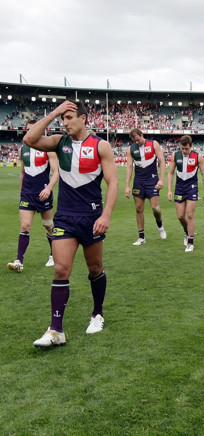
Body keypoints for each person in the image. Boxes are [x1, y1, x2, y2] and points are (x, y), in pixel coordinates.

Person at [23, 100, 118, 348]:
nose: (64, 123)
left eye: (69, 118)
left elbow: (113, 183)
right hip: (64, 217)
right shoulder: (58, 142)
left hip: (91, 217)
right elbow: (30, 140)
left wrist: (106, 215)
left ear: (84, 118)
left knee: (95, 268)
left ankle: (97, 313)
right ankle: (56, 330)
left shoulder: (101, 146)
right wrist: (53, 112)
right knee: (60, 269)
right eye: (62, 119)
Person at [8, 120, 59, 272]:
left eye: (33, 129)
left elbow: (56, 171)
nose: (30, 132)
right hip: (27, 194)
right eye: (28, 130)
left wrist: (49, 189)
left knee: (48, 225)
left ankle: (53, 254)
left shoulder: (48, 149)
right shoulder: (22, 149)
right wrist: (21, 191)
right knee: (25, 226)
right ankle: (19, 261)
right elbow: (22, 172)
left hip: (43, 193)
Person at [124, 128, 167, 246]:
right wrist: (127, 186)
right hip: (139, 181)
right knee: (138, 208)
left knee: (155, 209)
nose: (136, 142)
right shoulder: (131, 149)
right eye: (134, 141)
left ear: (142, 135)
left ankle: (160, 226)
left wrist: (162, 179)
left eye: (138, 140)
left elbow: (162, 161)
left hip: (152, 180)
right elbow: (129, 167)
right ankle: (141, 237)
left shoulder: (153, 144)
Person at [167, 135, 204, 252]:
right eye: (182, 148)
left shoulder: (198, 157)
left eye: (186, 148)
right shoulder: (175, 155)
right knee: (180, 216)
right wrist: (169, 190)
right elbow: (170, 173)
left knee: (190, 214)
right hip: (179, 188)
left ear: (191, 146)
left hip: (192, 188)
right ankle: (187, 232)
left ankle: (190, 242)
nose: (184, 151)